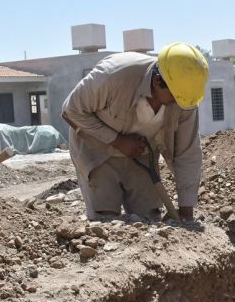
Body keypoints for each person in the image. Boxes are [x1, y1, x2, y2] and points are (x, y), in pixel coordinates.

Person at [61, 42, 209, 221]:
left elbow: (188, 153)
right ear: (157, 81)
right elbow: (71, 110)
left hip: (142, 154)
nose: (178, 104)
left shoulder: (186, 98)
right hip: (97, 150)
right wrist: (118, 141)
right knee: (106, 221)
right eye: (174, 97)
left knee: (150, 220)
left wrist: (186, 211)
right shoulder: (114, 75)